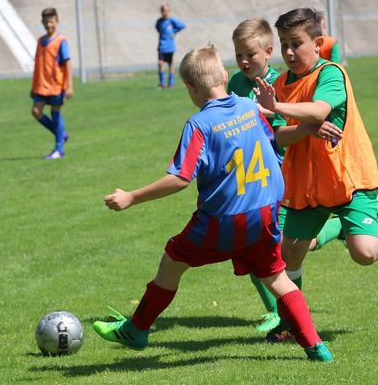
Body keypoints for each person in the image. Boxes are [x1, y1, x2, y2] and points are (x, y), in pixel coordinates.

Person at [93, 45, 333, 362]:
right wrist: (307, 128)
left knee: (172, 260)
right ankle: (316, 347)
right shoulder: (250, 108)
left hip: (223, 218)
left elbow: (181, 177)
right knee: (277, 277)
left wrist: (131, 196)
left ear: (191, 88)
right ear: (224, 75)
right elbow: (274, 139)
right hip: (263, 213)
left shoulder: (200, 124)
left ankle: (137, 330)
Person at [255, 7, 378, 341]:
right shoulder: (279, 84)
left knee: (365, 254)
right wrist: (306, 129)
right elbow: (279, 135)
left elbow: (320, 109)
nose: (289, 52)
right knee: (289, 251)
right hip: (306, 183)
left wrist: (275, 107)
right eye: (283, 45)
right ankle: (290, 325)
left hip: (348, 179)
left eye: (296, 43)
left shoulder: (331, 73)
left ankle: (340, 225)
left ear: (318, 43)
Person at [228, 18, 343, 334]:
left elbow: (285, 131)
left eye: (250, 54)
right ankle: (338, 228)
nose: (244, 61)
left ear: (268, 52)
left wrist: (296, 125)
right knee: (256, 247)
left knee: (272, 248)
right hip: (248, 176)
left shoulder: (282, 83)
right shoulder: (236, 83)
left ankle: (283, 317)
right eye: (239, 54)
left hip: (279, 176)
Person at [31, 7, 73, 160]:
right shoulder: (40, 41)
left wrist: (69, 86)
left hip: (56, 85)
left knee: (56, 115)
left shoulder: (61, 41)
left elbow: (67, 63)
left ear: (57, 21)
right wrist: (33, 86)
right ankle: (61, 134)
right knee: (36, 111)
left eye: (52, 21)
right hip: (41, 85)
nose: (49, 24)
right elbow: (37, 65)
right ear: (42, 22)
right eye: (46, 21)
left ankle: (59, 149)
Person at [155, 3, 186, 89]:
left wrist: (174, 31)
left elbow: (183, 25)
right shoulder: (159, 22)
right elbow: (157, 28)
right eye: (164, 10)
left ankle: (171, 84)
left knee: (170, 64)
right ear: (161, 11)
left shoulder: (172, 20)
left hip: (170, 47)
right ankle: (162, 84)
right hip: (162, 46)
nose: (165, 12)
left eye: (167, 10)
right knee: (160, 64)